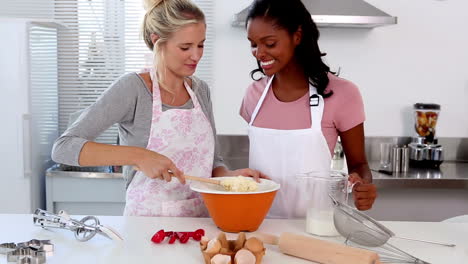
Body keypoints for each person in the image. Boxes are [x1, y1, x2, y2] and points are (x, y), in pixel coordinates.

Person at [52, 0, 262, 217]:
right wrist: (139, 156)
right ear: (157, 41)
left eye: (200, 44)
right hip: (147, 229)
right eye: (185, 47)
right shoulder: (133, 88)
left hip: (200, 223)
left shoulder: (200, 90)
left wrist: (229, 178)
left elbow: (213, 161)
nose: (196, 55)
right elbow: (64, 148)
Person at [239, 0, 377, 218]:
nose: (259, 53)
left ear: (297, 36)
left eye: (270, 43)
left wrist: (363, 186)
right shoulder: (253, 95)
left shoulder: (343, 94)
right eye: (253, 44)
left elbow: (359, 165)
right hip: (259, 226)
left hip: (316, 228)